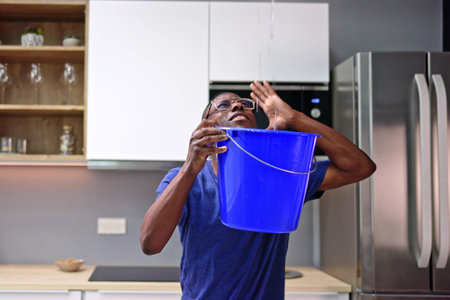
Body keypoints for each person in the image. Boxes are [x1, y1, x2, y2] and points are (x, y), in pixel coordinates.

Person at [140, 80, 376, 300]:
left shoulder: (282, 175)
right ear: (206, 125)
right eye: (224, 105)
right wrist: (190, 167)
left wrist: (294, 117)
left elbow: (360, 167)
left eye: (245, 105)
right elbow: (150, 243)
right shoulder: (185, 181)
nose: (237, 106)